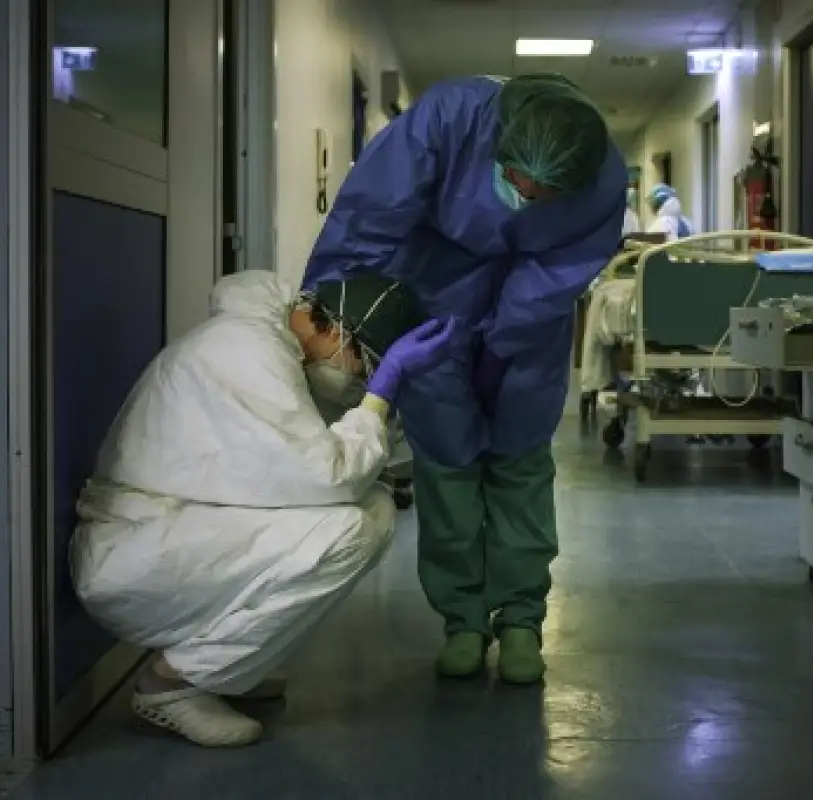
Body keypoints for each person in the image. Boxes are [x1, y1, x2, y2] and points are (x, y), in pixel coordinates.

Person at [303, 73, 626, 685]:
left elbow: (558, 270)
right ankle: (463, 620)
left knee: (520, 456)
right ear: (500, 146)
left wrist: (504, 342)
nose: (524, 200)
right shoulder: (453, 117)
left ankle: (523, 618)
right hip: (431, 290)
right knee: (447, 459)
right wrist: (332, 308)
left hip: (531, 314)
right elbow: (371, 213)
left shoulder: (602, 177)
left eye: (543, 197)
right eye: (516, 184)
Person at [69, 270, 456, 747]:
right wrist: (378, 400)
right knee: (350, 529)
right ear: (336, 331)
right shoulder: (248, 354)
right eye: (363, 367)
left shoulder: (270, 347)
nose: (359, 381)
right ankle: (171, 685)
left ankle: (217, 666)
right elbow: (327, 476)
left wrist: (383, 401)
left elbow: (329, 461)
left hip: (163, 529)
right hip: (129, 555)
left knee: (369, 505)